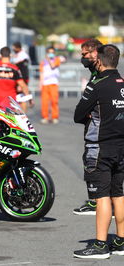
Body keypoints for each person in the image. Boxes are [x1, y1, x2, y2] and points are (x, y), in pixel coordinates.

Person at [73, 44, 124, 259]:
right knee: (119, 193)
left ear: (100, 61)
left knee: (102, 196)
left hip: (100, 147)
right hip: (121, 147)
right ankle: (121, 241)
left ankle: (101, 245)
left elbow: (78, 115)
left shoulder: (97, 84)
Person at [73, 39, 103, 216]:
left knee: (93, 163)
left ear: (95, 53)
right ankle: (97, 199)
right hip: (91, 126)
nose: (82, 57)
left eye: (85, 54)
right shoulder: (94, 73)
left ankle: (95, 201)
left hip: (98, 131)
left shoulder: (101, 75)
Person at [0, 46, 32, 121]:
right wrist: (29, 98)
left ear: (0, 55)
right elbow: (23, 85)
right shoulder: (14, 68)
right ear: (10, 55)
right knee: (10, 123)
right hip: (10, 101)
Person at [39, 46, 61, 124]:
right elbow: (41, 73)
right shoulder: (43, 62)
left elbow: (52, 66)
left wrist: (49, 60)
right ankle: (45, 117)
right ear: (47, 53)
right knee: (44, 102)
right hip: (45, 84)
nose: (51, 54)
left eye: (52, 52)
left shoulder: (57, 60)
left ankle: (54, 117)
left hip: (53, 83)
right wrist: (40, 84)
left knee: (54, 101)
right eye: (49, 52)